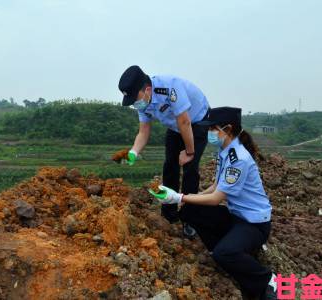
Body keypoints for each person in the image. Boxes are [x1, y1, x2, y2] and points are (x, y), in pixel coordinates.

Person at [150, 107, 277, 300]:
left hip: (254, 225)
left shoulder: (238, 159)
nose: (209, 133)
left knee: (223, 253)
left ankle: (267, 279)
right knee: (190, 210)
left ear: (229, 129)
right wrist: (190, 199)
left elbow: (217, 198)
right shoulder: (224, 151)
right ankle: (224, 252)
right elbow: (216, 186)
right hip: (236, 218)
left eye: (213, 129)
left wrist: (179, 197)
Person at [117, 65, 210, 230]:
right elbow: (144, 131)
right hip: (176, 126)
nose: (134, 104)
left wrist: (189, 152)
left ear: (147, 89)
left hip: (196, 121)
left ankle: (190, 218)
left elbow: (185, 121)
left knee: (190, 168)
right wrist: (133, 152)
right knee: (169, 166)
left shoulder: (169, 87)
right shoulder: (143, 103)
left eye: (134, 98)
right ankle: (169, 214)